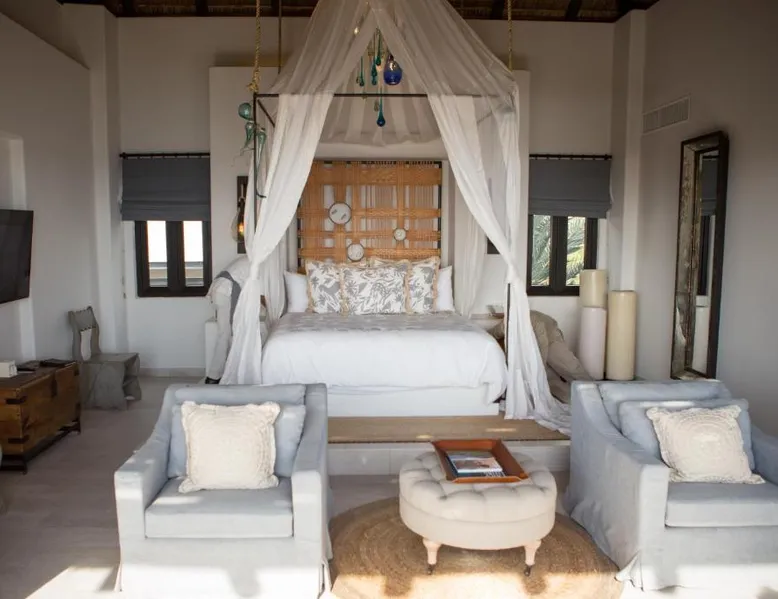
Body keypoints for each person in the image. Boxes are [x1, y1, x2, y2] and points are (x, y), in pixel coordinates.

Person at [205, 255, 250, 384]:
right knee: (225, 335)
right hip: (226, 291)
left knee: (225, 334)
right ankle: (214, 376)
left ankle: (219, 373)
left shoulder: (246, 259)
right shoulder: (256, 262)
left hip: (219, 289)